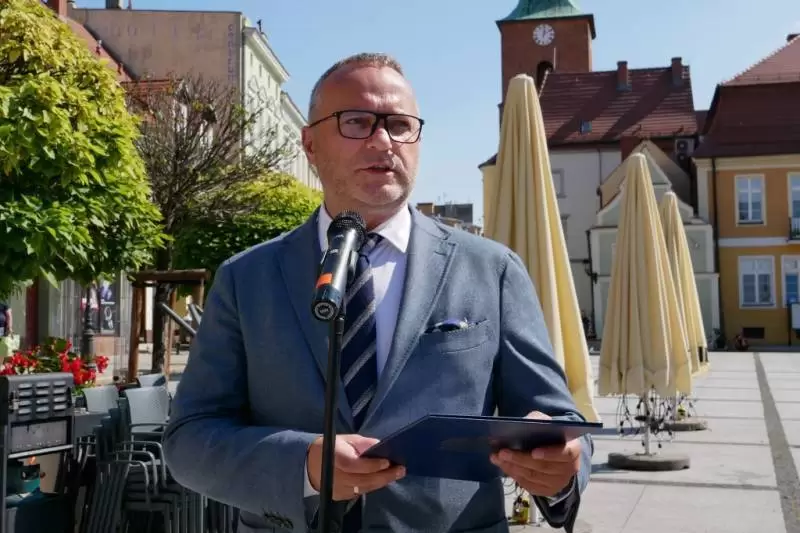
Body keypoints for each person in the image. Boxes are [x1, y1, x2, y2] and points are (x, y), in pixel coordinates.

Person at [164, 53, 593, 533]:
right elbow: (189, 440)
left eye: (400, 125)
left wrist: (560, 468)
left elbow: (557, 420)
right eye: (357, 122)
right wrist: (302, 464)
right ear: (310, 144)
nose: (384, 141)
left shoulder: (492, 270)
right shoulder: (246, 278)